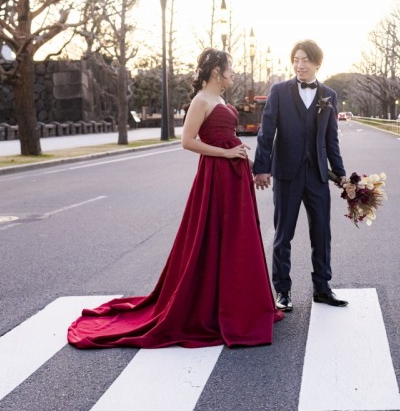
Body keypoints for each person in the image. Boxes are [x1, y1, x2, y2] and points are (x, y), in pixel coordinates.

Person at [68, 48, 283, 349]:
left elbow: (227, 139)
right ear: (217, 71)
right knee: (213, 237)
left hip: (234, 176)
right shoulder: (201, 100)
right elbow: (188, 141)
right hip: (216, 177)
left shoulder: (221, 99)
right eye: (230, 66)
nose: (233, 71)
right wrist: (226, 153)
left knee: (237, 237)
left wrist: (247, 163)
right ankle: (213, 308)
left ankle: (239, 304)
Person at [253, 40, 347, 312]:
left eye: (305, 60)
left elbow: (332, 140)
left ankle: (322, 287)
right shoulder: (279, 91)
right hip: (287, 174)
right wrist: (262, 167)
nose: (300, 65)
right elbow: (266, 132)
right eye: (296, 59)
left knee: (322, 233)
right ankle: (282, 291)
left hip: (317, 175)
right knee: (284, 235)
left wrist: (341, 175)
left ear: (317, 63)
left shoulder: (329, 95)